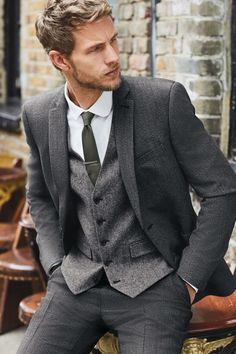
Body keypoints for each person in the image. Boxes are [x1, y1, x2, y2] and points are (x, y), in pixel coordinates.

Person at [17, 1, 236, 353]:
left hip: (156, 286)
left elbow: (223, 191)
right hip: (75, 284)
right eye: (96, 49)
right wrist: (56, 264)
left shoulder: (162, 101)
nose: (113, 56)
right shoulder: (38, 114)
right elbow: (40, 196)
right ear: (61, 60)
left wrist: (188, 282)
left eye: (113, 41)